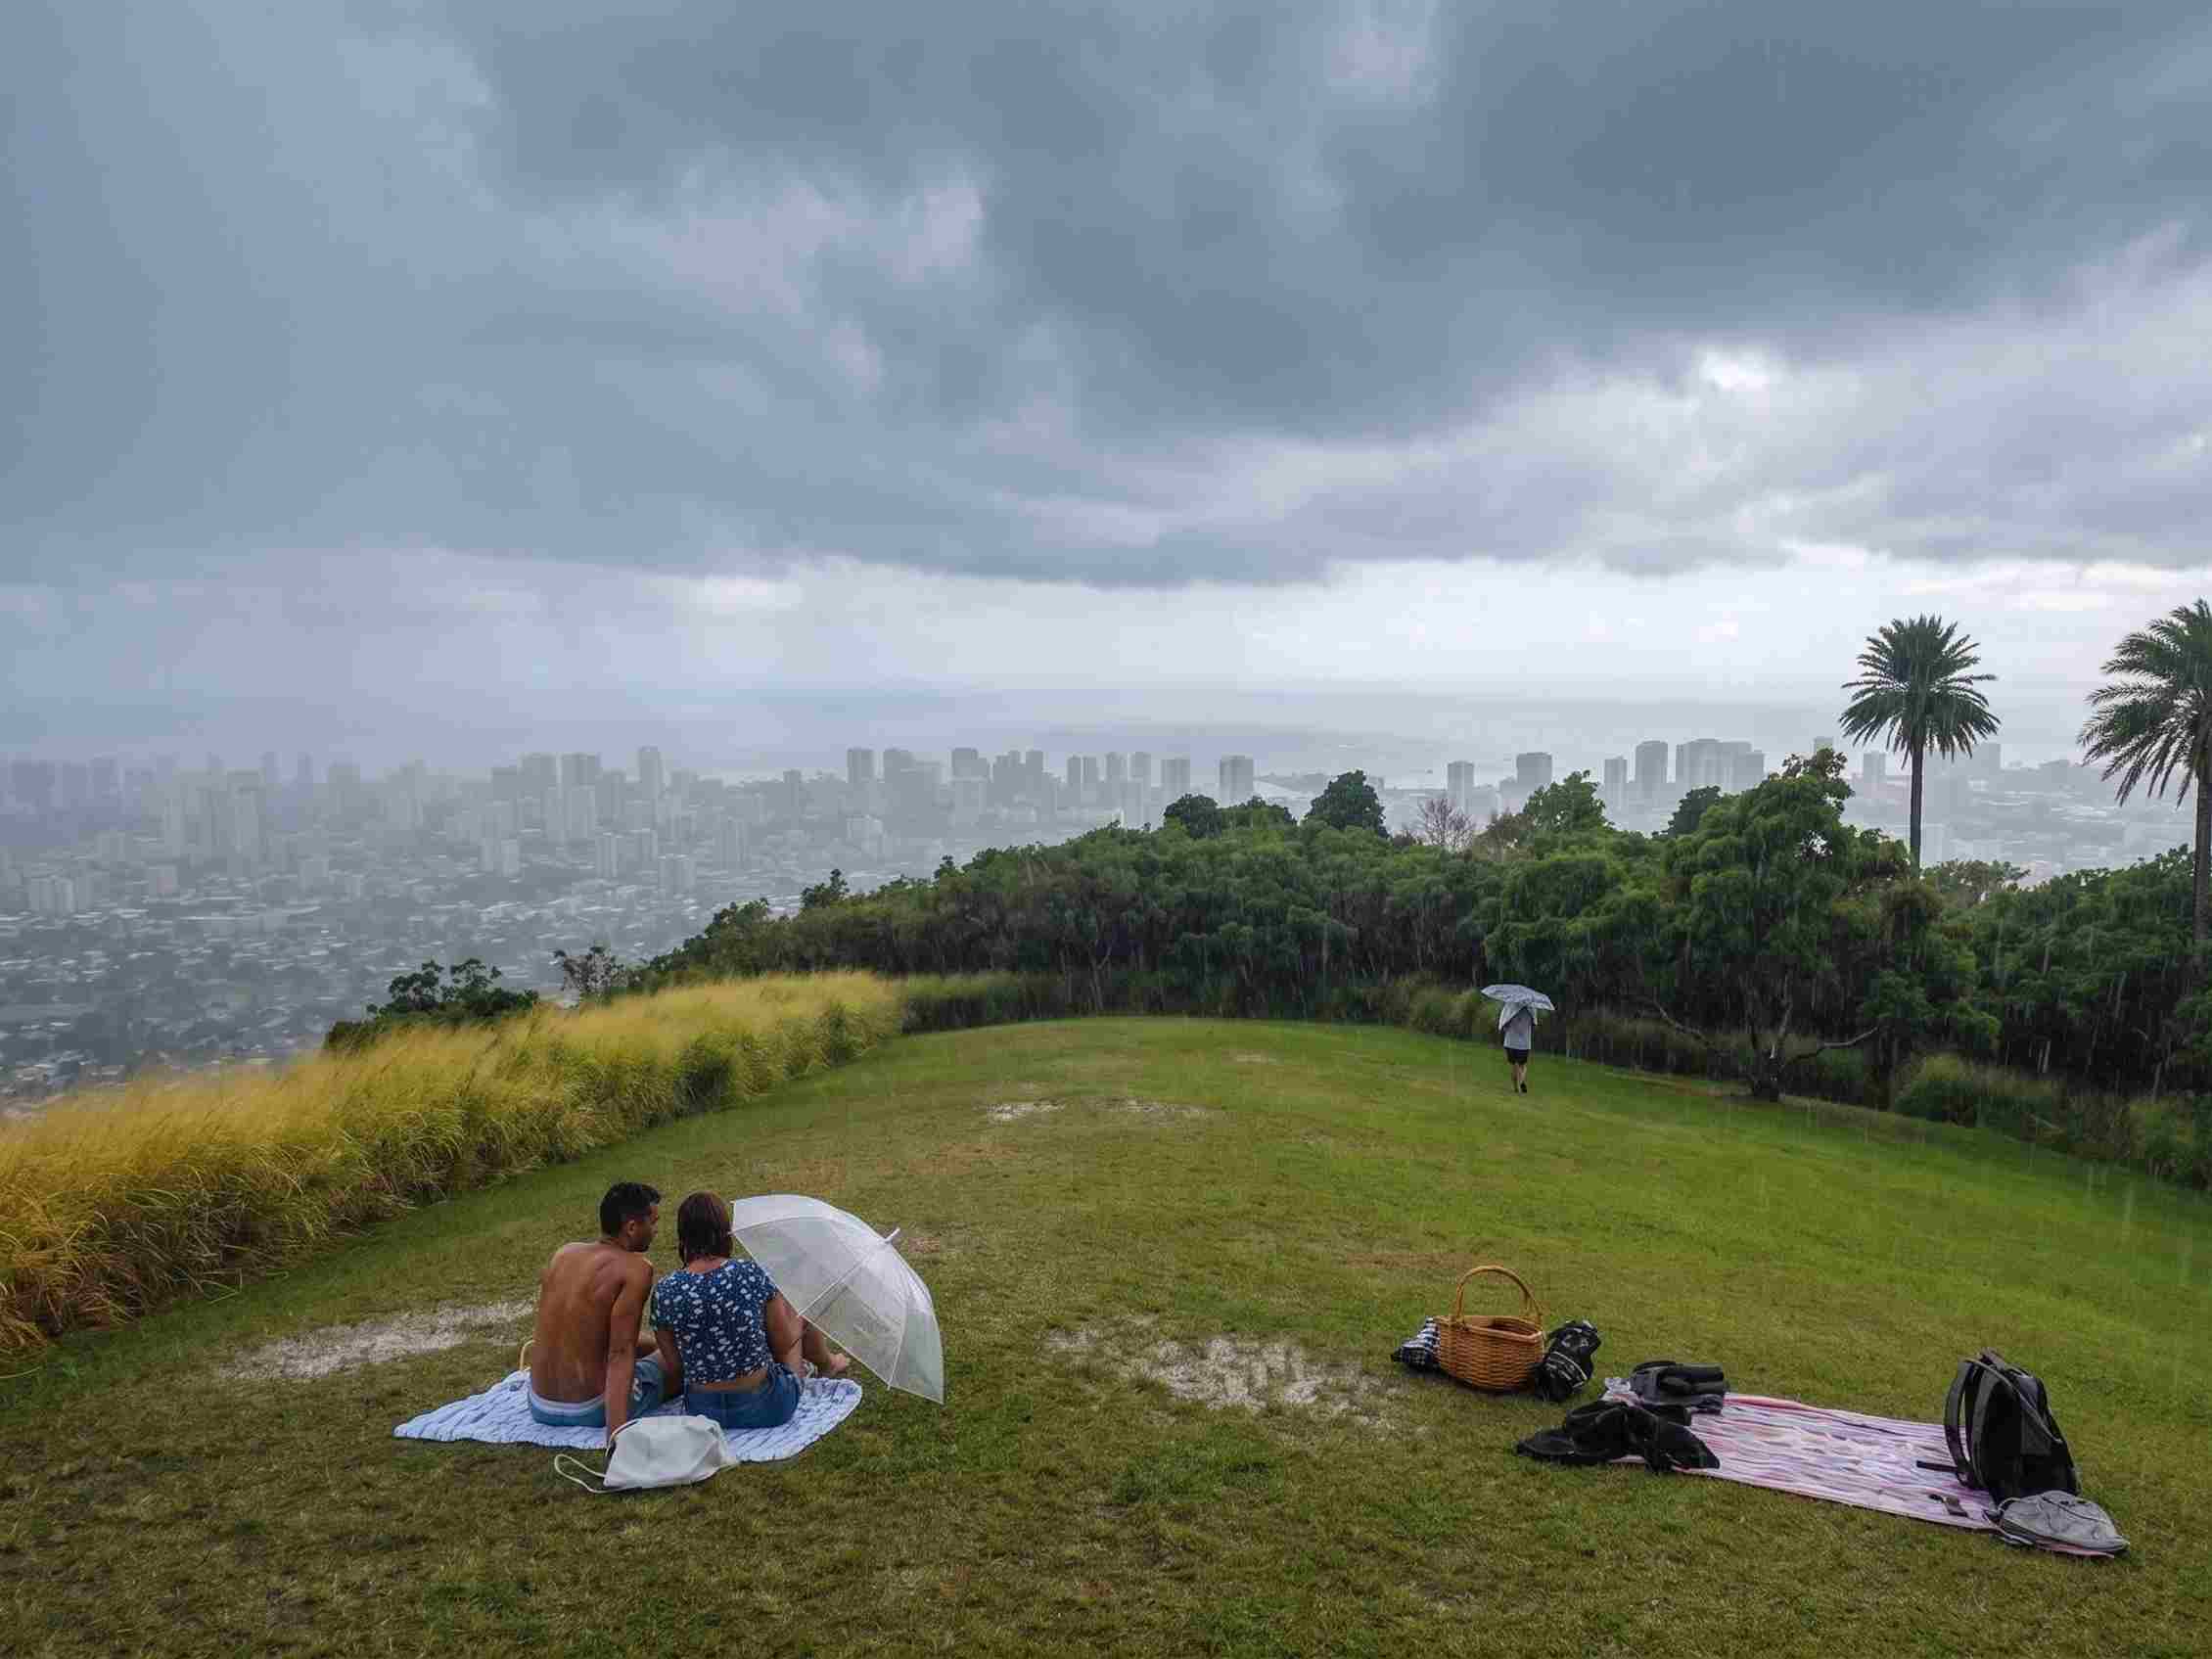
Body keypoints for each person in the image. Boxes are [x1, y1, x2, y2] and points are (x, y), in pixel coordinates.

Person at [650, 1190, 849, 1433]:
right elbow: (784, 1345)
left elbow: (677, 1367)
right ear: (725, 1230)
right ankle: (827, 1365)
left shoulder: (665, 1290)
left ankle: (825, 1363)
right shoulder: (750, 1272)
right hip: (767, 1407)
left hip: (703, 1413)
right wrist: (797, 1323)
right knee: (795, 1311)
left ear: (683, 1236)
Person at [527, 1180, 678, 1442]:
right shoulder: (636, 1269)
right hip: (591, 1408)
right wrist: (616, 1438)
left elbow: (590, 1333)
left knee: (657, 1348)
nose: (655, 1231)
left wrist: (656, 1346)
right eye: (652, 1223)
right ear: (631, 1227)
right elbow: (620, 1354)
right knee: (679, 1357)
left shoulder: (563, 1254)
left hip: (540, 1404)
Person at [1501, 1001, 1535, 1094]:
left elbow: (1504, 1024)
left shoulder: (1510, 1006)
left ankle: (1516, 1087)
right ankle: (1521, 1082)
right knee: (1522, 1066)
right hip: (1524, 1044)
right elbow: (1533, 1024)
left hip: (1510, 1042)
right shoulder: (1531, 1009)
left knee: (1514, 1065)